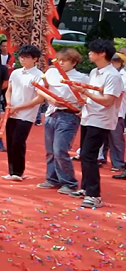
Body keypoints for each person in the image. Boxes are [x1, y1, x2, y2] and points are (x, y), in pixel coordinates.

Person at [68, 39, 124, 208]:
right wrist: (83, 100)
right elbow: (93, 95)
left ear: (102, 54)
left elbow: (107, 101)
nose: (89, 53)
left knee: (89, 155)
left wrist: (85, 93)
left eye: (92, 51)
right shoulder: (94, 72)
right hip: (88, 116)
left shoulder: (113, 76)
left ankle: (94, 195)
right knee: (85, 154)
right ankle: (85, 188)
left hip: (101, 119)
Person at [34, 48, 86, 193]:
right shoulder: (51, 72)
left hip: (69, 115)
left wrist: (82, 106)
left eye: (65, 60)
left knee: (60, 150)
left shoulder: (82, 78)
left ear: (74, 62)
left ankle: (69, 182)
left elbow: (87, 96)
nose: (61, 63)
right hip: (51, 113)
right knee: (50, 150)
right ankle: (52, 178)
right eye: (59, 60)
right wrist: (51, 99)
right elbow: (40, 89)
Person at [3, 45, 44, 181]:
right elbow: (9, 90)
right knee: (10, 141)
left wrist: (18, 107)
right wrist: (9, 103)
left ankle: (18, 172)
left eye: (26, 57)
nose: (23, 60)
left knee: (18, 141)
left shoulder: (39, 76)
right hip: (12, 111)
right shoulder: (16, 73)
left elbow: (39, 98)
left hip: (27, 114)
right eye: (21, 57)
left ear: (35, 59)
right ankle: (12, 171)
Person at [99, 53, 126, 169]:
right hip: (101, 110)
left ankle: (118, 163)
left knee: (116, 139)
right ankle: (101, 157)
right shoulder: (103, 73)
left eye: (116, 61)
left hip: (117, 112)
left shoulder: (122, 76)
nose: (113, 63)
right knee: (101, 138)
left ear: (121, 63)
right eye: (112, 61)